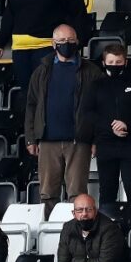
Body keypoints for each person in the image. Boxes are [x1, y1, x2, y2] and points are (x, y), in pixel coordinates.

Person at [25, 24, 104, 216]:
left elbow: (101, 107)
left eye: (70, 41)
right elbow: (31, 105)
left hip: (79, 141)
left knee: (77, 193)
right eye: (61, 41)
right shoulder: (41, 71)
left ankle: (76, 234)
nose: (66, 44)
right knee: (47, 193)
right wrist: (31, 138)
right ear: (53, 44)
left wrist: (96, 139)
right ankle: (49, 234)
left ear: (77, 42)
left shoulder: (92, 71)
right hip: (47, 141)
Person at [84, 43, 131, 217]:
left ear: (125, 62)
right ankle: (108, 232)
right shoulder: (96, 85)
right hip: (105, 145)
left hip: (130, 144)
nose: (114, 65)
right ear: (104, 62)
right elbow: (88, 113)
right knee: (107, 191)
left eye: (118, 61)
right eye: (111, 61)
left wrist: (127, 124)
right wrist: (111, 127)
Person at [44, 193, 127, 262]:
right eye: (80, 210)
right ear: (73, 213)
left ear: (95, 211)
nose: (84, 214)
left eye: (88, 209)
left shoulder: (110, 229)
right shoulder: (68, 228)